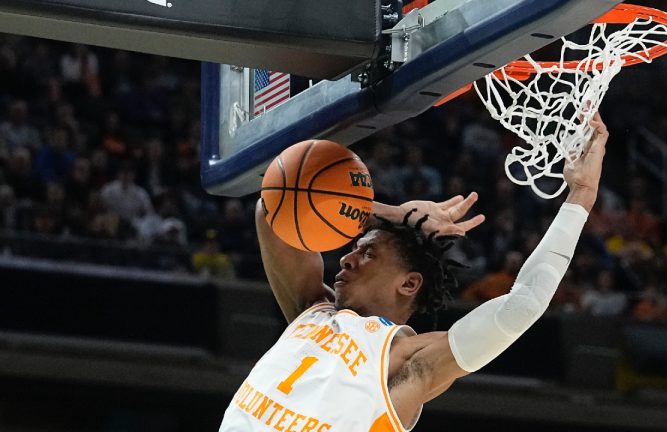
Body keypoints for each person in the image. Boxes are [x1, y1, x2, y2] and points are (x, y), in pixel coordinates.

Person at [219, 113, 609, 432]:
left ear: (409, 283)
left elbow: (522, 305)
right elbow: (273, 210)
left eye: (367, 253)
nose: (345, 259)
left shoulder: (408, 362)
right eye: (353, 250)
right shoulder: (312, 309)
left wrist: (581, 196)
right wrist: (390, 213)